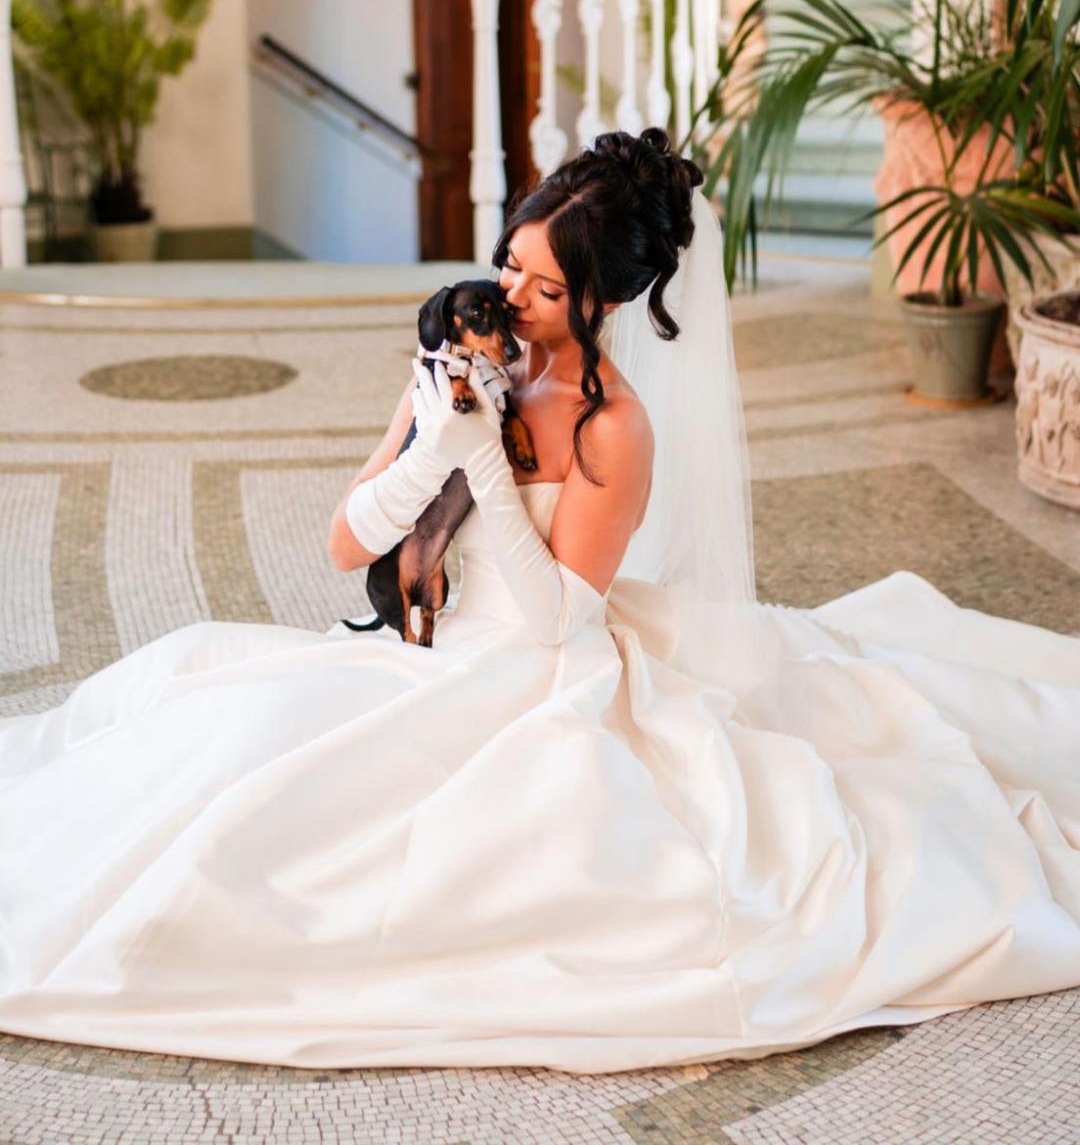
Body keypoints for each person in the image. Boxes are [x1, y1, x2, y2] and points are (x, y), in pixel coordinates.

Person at [0, 127, 1077, 1075]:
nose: (513, 297)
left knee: (338, 845)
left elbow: (563, 618)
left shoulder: (618, 428)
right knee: (206, 713)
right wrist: (434, 444)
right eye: (511, 265)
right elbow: (343, 545)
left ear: (604, 298)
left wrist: (484, 467)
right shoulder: (464, 354)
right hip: (423, 648)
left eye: (547, 288)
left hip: (540, 675)